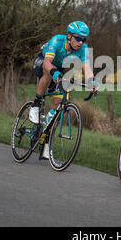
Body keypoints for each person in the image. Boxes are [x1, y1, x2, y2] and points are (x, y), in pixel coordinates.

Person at [29, 21, 99, 158]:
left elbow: (86, 67)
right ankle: (36, 104)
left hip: (59, 68)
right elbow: (47, 62)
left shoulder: (83, 49)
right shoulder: (57, 40)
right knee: (48, 72)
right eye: (77, 38)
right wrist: (53, 72)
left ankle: (45, 135)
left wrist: (92, 81)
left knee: (57, 104)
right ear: (69, 36)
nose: (80, 42)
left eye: (83, 39)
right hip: (43, 61)